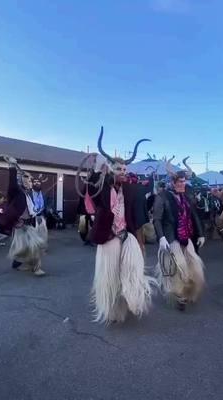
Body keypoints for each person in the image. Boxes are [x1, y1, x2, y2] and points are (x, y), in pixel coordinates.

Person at [77, 127, 155, 324]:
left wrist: (152, 177)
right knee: (109, 278)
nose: (122, 172)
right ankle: (112, 309)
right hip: (108, 237)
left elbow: (145, 194)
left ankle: (131, 300)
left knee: (132, 273)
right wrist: (97, 170)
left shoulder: (129, 188)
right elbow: (90, 188)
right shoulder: (103, 186)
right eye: (118, 169)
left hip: (126, 235)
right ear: (111, 169)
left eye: (124, 169)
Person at [153, 159, 206, 311]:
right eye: (179, 181)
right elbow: (157, 218)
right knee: (179, 267)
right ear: (173, 182)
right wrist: (161, 237)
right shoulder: (163, 196)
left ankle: (189, 291)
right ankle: (179, 296)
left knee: (195, 266)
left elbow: (193, 215)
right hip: (171, 237)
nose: (182, 184)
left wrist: (201, 234)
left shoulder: (186, 195)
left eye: (184, 181)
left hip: (186, 236)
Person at [0, 157, 46, 276]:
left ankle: (17, 263)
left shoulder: (27, 194)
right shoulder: (16, 192)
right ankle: (36, 268)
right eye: (26, 180)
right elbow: (12, 184)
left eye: (29, 180)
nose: (29, 182)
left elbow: (31, 208)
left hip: (29, 223)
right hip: (22, 225)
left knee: (24, 247)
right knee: (35, 246)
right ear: (21, 181)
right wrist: (12, 167)